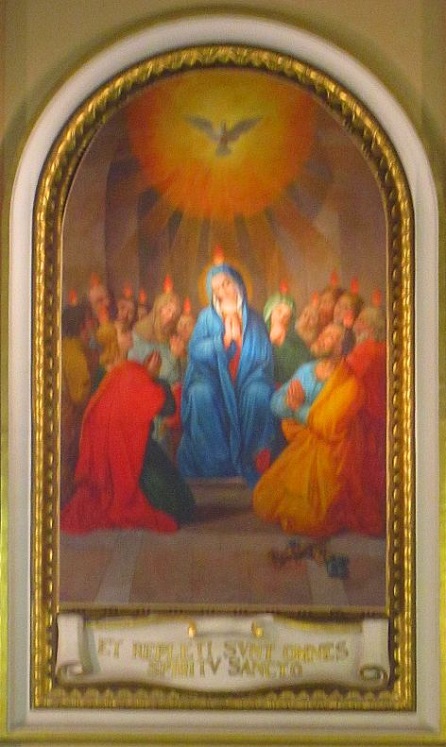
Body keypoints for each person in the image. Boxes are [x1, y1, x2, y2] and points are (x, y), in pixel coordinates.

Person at [60, 349, 195, 534]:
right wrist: (158, 380)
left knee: (173, 491)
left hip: (116, 447)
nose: (156, 365)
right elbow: (167, 408)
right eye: (154, 363)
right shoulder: (136, 376)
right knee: (175, 502)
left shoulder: (120, 375)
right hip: (128, 449)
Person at [253, 322, 366, 537]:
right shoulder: (306, 371)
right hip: (303, 445)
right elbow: (276, 403)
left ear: (341, 347)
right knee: (264, 500)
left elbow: (327, 423)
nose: (321, 337)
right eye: (323, 332)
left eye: (330, 336)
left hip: (333, 454)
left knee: (314, 518)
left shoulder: (350, 384)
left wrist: (298, 407)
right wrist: (291, 405)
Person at [177, 259, 276, 486]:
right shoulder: (206, 317)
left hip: (246, 379)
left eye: (227, 283)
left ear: (238, 284)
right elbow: (196, 350)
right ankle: (215, 465)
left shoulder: (254, 319)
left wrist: (240, 342)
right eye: (217, 288)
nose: (223, 291)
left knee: (259, 393)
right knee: (200, 394)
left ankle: (252, 460)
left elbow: (263, 357)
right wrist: (222, 342)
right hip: (212, 380)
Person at [60, 301, 92, 507]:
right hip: (71, 421)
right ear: (82, 326)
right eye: (90, 321)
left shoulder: (67, 347)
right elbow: (80, 396)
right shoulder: (75, 353)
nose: (93, 326)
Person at [263, 286, 313, 386]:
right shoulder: (259, 332)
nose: (282, 317)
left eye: (287, 316)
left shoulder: (295, 339)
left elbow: (304, 367)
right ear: (270, 311)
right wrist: (270, 340)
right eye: (279, 311)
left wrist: (283, 343)